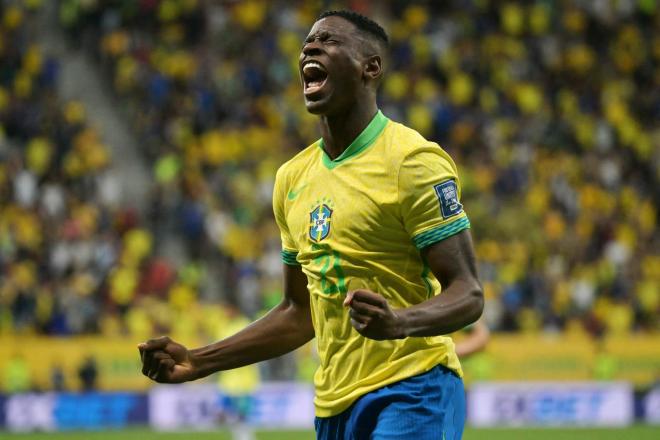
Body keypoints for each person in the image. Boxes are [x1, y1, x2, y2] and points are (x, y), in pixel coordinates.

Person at [138, 10, 483, 440]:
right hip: (333, 406)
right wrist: (200, 360)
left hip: (414, 386)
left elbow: (468, 293)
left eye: (328, 40)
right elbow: (298, 313)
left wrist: (399, 321)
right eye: (306, 43)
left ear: (369, 68)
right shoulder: (291, 179)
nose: (309, 48)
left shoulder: (411, 161)